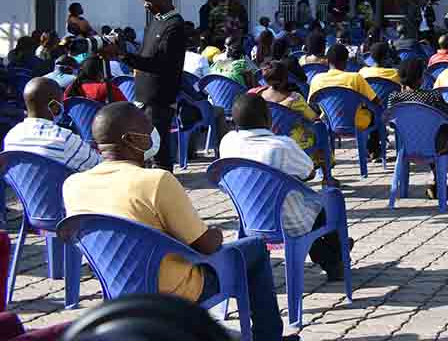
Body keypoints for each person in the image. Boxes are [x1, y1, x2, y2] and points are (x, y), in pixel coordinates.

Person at [63, 102, 291, 341]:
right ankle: (270, 337)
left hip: (118, 288)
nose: (154, 133)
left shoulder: (73, 185)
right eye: (147, 127)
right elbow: (206, 246)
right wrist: (216, 233)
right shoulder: (157, 180)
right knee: (254, 248)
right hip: (175, 291)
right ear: (132, 139)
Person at [220, 93, 350, 281]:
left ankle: (331, 254)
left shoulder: (227, 142)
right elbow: (308, 172)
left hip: (249, 219)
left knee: (308, 208)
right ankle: (336, 257)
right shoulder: (281, 146)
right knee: (325, 205)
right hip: (289, 223)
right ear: (268, 118)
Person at [105, 0, 187, 171]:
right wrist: (123, 48)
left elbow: (161, 64)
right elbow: (145, 55)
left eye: (148, 0)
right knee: (145, 145)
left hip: (159, 98)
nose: (145, 5)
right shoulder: (155, 22)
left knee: (159, 147)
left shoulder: (174, 25)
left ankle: (164, 185)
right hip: (144, 97)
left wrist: (122, 56)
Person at [384, 58, 448, 200]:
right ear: (421, 79)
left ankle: (435, 183)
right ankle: (438, 181)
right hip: (434, 146)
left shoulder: (394, 98)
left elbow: (390, 123)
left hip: (404, 147)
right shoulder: (433, 96)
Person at [3, 77, 102, 171]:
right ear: (54, 106)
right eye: (61, 102)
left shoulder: (11, 136)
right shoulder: (63, 138)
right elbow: (99, 165)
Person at [309, 44, 380, 136]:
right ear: (346, 61)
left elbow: (312, 105)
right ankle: (373, 148)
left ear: (327, 61)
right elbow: (375, 101)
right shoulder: (355, 77)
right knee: (374, 113)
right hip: (357, 123)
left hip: (329, 122)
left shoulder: (316, 79)